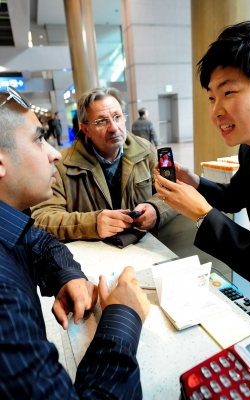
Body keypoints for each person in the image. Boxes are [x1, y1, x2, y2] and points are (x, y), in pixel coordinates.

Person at [0, 87, 150, 398]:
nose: (53, 152)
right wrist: (121, 319)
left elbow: (36, 240)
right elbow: (44, 218)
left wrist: (67, 275)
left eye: (118, 117)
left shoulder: (146, 150)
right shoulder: (5, 303)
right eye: (39, 139)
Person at [155, 20, 250, 320]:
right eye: (211, 97)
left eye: (229, 92)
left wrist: (203, 215)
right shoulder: (249, 149)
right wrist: (194, 183)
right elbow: (236, 196)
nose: (216, 111)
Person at [31, 87, 177, 241]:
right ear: (86, 129)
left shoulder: (145, 151)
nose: (114, 128)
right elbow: (41, 217)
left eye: (117, 117)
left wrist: (156, 209)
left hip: (145, 247)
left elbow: (174, 193)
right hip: (93, 257)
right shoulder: (62, 165)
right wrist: (92, 224)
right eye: (101, 121)